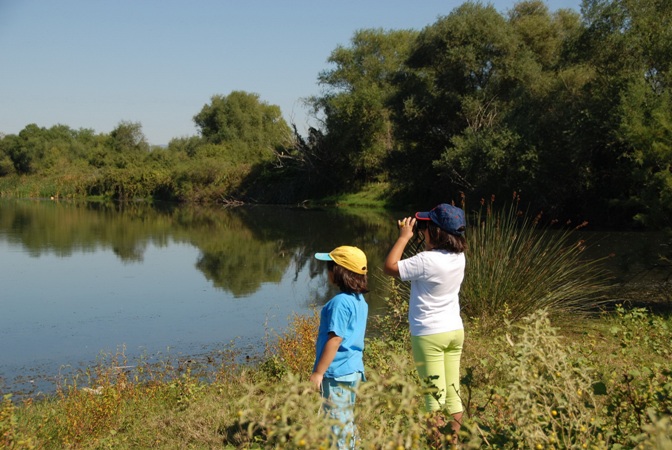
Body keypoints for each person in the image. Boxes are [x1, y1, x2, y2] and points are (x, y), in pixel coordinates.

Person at [383, 203, 468, 443]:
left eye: (427, 227)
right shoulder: (459, 257)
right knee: (453, 393)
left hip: (429, 334)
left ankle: (434, 444)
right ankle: (452, 444)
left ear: (436, 232)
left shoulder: (426, 260)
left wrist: (403, 237)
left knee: (433, 397)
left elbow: (389, 267)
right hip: (454, 330)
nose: (423, 230)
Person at [310, 245, 369, 450]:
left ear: (338, 271)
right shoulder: (359, 300)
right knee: (345, 418)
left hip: (336, 373)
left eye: (329, 266)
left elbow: (335, 340)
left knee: (337, 425)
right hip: (352, 370)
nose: (326, 271)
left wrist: (318, 372)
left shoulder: (339, 303)